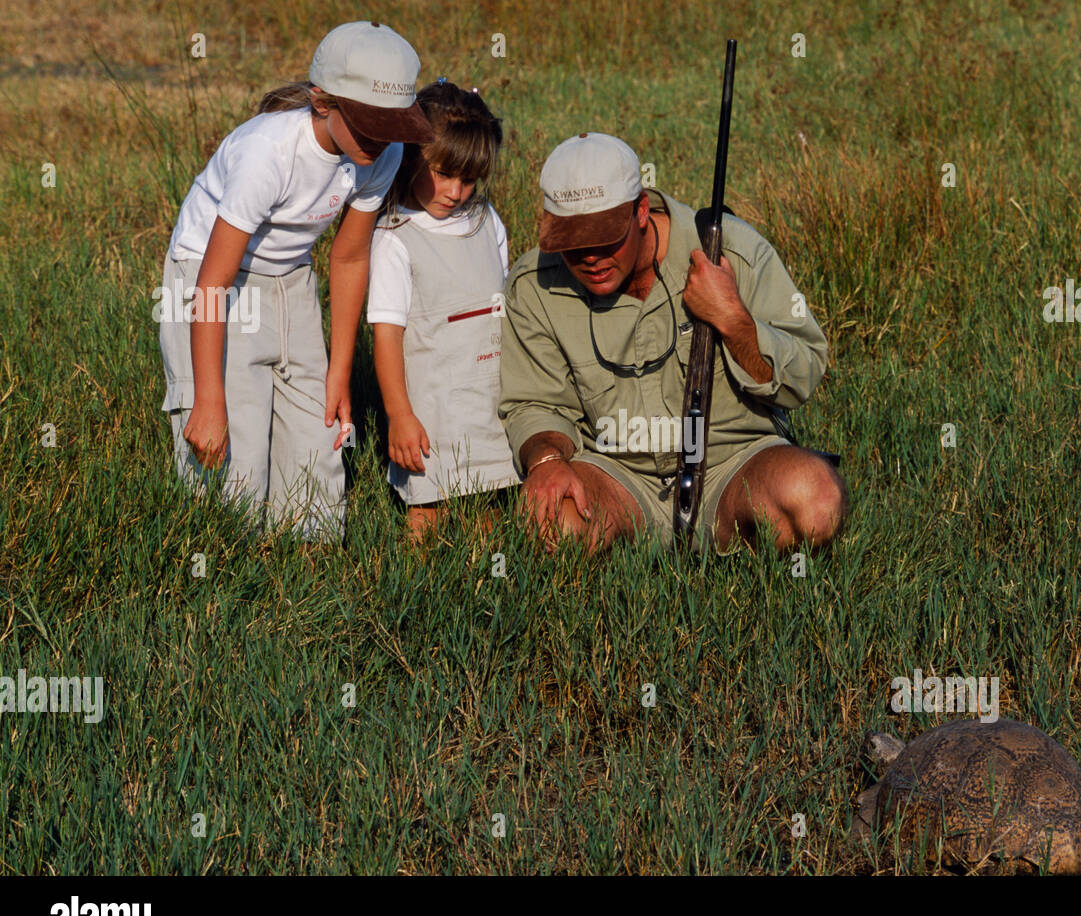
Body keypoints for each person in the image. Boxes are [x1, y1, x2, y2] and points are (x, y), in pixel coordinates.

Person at [499, 132, 846, 554]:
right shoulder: (532, 283)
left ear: (641, 209)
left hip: (734, 464)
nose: (589, 257)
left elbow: (804, 375)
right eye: (573, 244)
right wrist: (547, 462)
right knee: (550, 523)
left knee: (817, 501)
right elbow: (533, 404)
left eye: (605, 238)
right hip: (615, 473)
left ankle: (742, 549)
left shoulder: (731, 249)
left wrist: (734, 320)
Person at [157, 21, 434, 541]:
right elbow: (212, 282)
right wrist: (208, 398)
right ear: (322, 102)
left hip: (291, 277)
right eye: (369, 125)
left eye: (391, 127)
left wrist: (339, 372)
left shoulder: (383, 153)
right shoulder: (269, 152)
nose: (381, 140)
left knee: (320, 436)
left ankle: (304, 567)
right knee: (231, 455)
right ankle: (217, 563)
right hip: (211, 281)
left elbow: (350, 259)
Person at [366, 80, 518, 542]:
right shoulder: (395, 239)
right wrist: (399, 415)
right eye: (444, 173)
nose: (456, 191)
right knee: (426, 519)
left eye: (469, 179)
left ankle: (483, 601)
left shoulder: (485, 221)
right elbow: (387, 337)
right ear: (413, 156)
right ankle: (407, 607)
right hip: (430, 411)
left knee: (488, 515)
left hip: (490, 402)